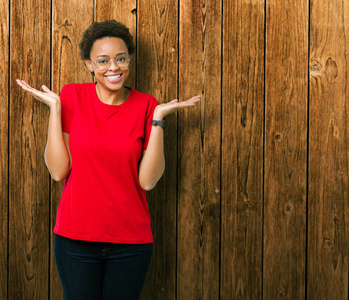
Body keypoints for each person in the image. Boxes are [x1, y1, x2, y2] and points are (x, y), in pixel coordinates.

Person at [16, 19, 200, 300]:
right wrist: (55, 109)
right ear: (89, 64)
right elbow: (57, 171)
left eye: (121, 59)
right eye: (102, 61)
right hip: (75, 239)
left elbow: (148, 182)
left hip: (131, 241)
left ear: (129, 60)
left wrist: (158, 120)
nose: (113, 67)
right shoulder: (72, 96)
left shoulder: (147, 105)